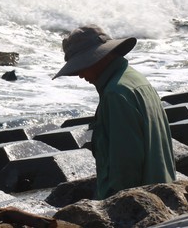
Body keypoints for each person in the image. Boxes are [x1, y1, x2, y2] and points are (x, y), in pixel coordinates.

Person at [53, 25, 176, 199]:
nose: (80, 74)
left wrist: (114, 207)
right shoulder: (136, 80)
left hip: (138, 205)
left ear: (98, 58)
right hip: (162, 194)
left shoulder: (115, 94)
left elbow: (125, 166)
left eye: (81, 66)